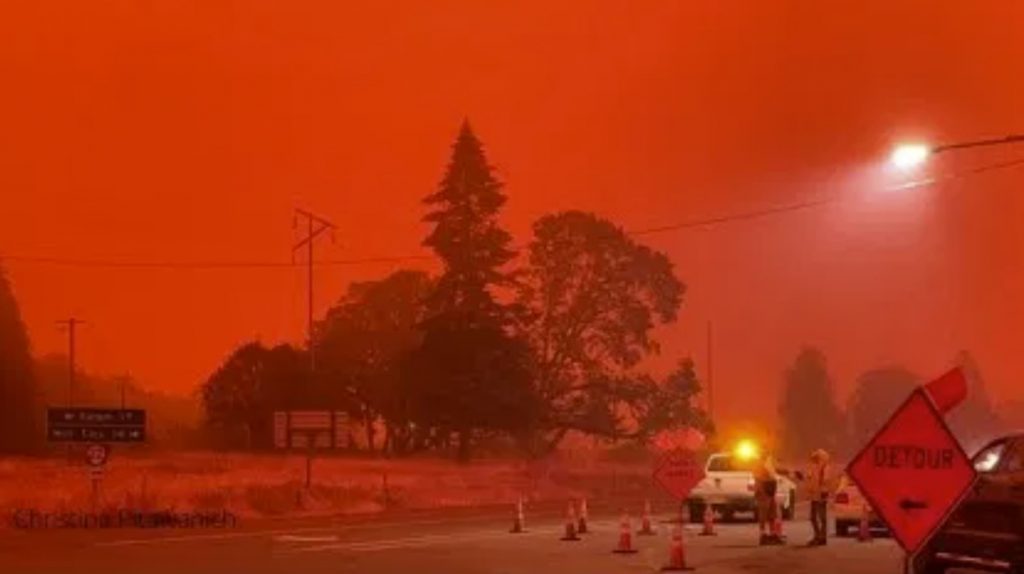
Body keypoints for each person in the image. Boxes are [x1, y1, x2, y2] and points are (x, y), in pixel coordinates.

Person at [754, 453, 782, 545]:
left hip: (771, 491)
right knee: (763, 514)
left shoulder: (769, 463)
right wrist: (762, 489)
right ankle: (763, 535)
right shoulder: (758, 464)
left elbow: (776, 471)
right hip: (763, 491)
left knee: (772, 514)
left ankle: (773, 534)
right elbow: (758, 478)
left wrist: (791, 472)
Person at [806, 448, 831, 546]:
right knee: (814, 517)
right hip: (815, 495)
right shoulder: (814, 467)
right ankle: (819, 536)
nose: (814, 459)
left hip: (820, 494)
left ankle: (821, 537)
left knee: (820, 517)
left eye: (816, 457)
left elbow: (825, 480)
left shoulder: (824, 467)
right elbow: (810, 478)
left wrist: (823, 491)